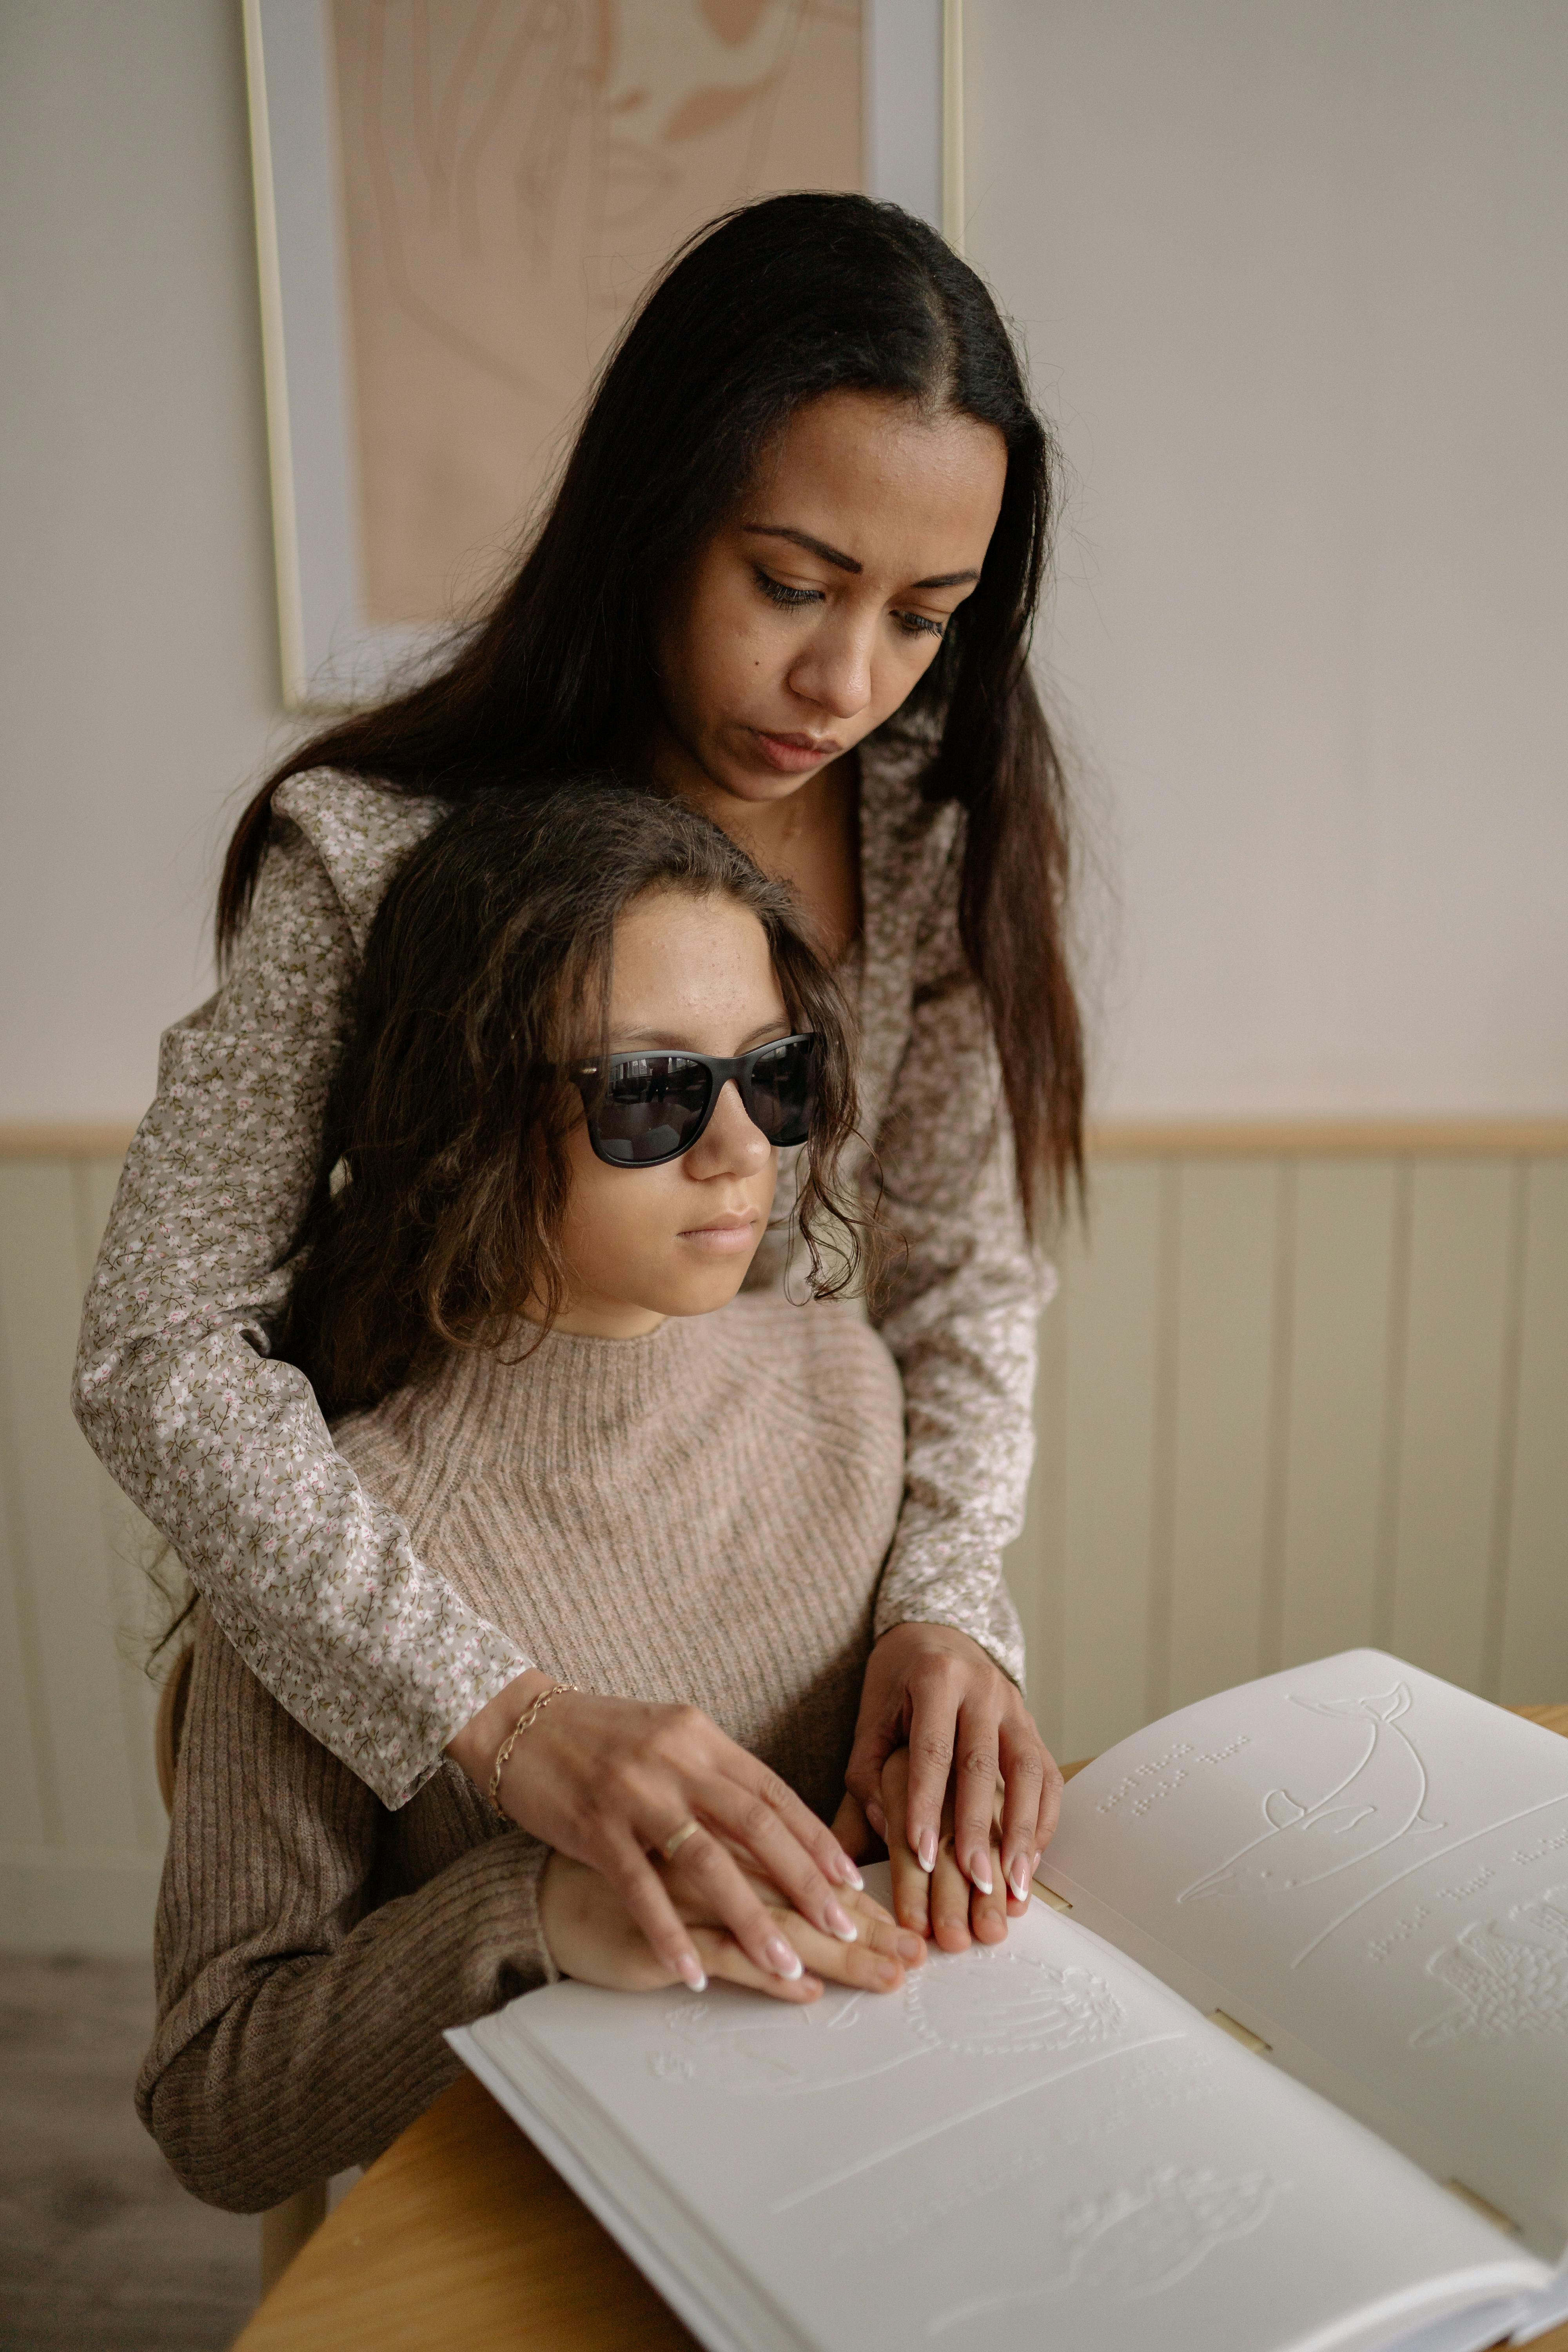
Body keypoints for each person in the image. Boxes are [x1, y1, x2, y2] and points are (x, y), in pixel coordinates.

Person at [75, 192, 1083, 1965]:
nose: (848, 680)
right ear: (652, 517)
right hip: (457, 1697)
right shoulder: (381, 855)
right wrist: (506, 1720)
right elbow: (156, 1348)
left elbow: (957, 1277)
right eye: (790, 582)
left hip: (783, 1640)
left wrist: (946, 1612)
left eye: (925, 614)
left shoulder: (925, 830)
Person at [140, 785, 1034, 2211]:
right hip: (556, 2221)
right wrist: (534, 1913)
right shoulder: (328, 1533)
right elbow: (216, 2102)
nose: (743, 1147)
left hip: (901, 2165)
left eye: (776, 1072)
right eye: (653, 1092)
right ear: (466, 1110)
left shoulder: (851, 1386)